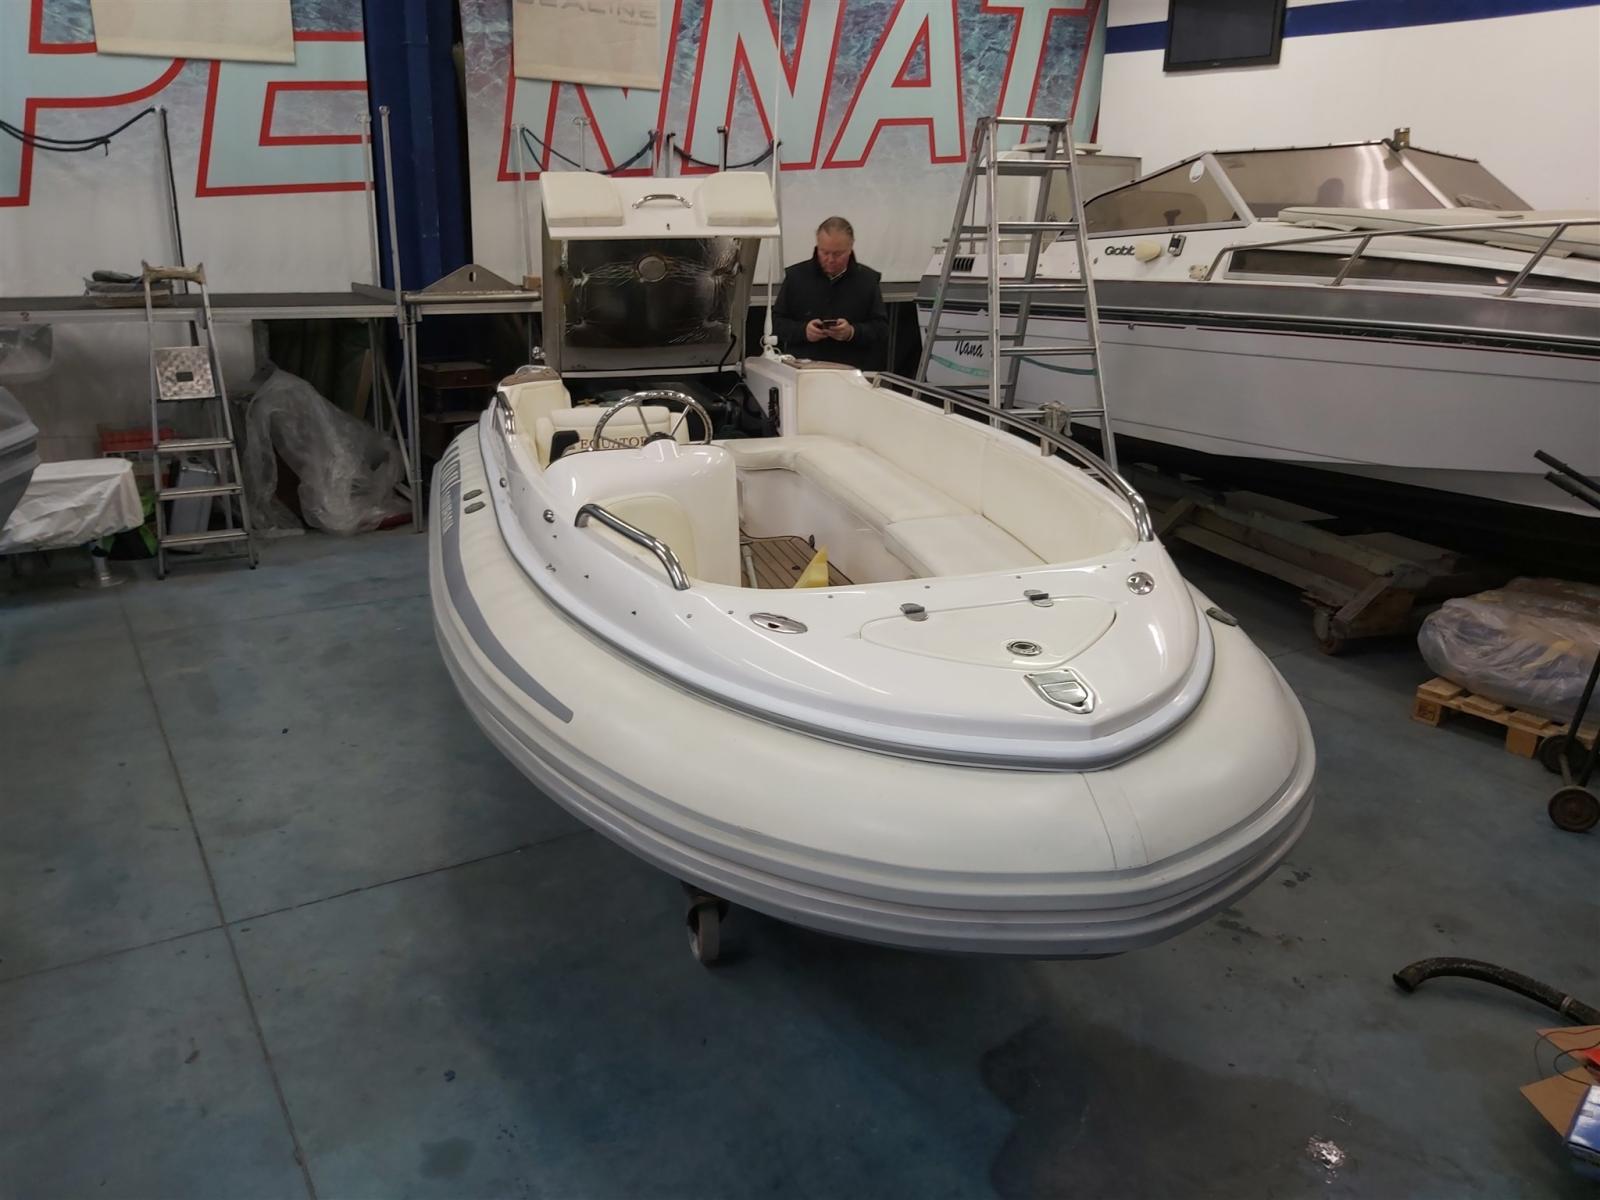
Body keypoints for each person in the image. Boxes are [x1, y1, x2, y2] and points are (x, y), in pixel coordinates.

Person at [770, 216, 889, 371]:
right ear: (817, 245)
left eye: (838, 254)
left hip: (852, 372)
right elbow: (777, 323)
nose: (831, 259)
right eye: (824, 252)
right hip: (804, 372)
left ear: (851, 247)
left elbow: (881, 329)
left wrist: (852, 332)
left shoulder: (867, 280)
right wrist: (804, 331)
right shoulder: (796, 277)